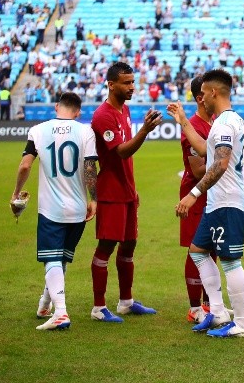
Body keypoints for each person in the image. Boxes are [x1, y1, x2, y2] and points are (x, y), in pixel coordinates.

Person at [171, 69, 244, 337]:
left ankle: (241, 323)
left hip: (228, 200)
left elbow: (220, 162)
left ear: (214, 92)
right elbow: (206, 149)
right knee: (197, 250)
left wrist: (192, 194)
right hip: (217, 201)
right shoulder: (224, 121)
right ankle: (216, 312)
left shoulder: (226, 123)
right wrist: (183, 121)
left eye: (203, 93)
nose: (201, 97)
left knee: (229, 261)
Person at [12, 93, 98, 331]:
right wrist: (94, 200)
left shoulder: (38, 130)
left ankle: (60, 312)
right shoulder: (85, 131)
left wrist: (16, 193)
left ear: (56, 106)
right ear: (78, 112)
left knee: (52, 258)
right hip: (79, 207)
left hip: (51, 209)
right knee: (59, 258)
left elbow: (25, 165)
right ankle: (45, 304)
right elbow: (91, 167)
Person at [89, 62, 162, 323]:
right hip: (110, 191)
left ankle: (126, 302)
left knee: (130, 244)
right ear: (111, 84)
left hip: (127, 190)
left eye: (133, 82)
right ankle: (98, 307)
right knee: (106, 246)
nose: (132, 87)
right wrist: (145, 130)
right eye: (126, 83)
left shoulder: (125, 110)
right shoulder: (103, 116)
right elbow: (120, 152)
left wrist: (133, 189)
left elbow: (127, 154)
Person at [173, 76, 214, 323]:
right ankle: (194, 307)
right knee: (195, 250)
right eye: (212, 92)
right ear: (201, 98)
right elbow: (199, 171)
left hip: (213, 194)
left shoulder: (215, 122)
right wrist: (226, 163)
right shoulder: (193, 127)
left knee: (213, 248)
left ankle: (210, 304)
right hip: (195, 194)